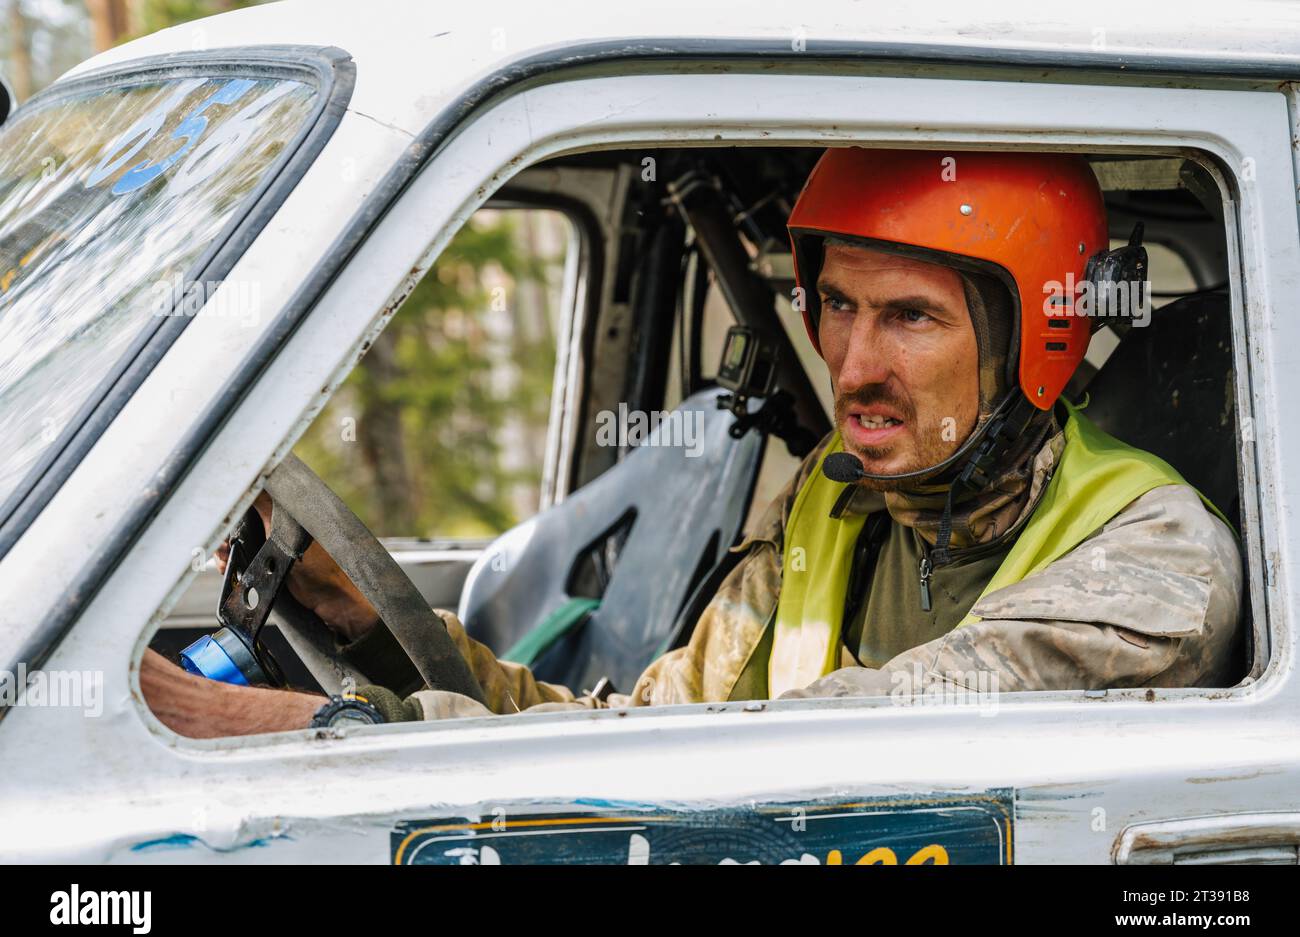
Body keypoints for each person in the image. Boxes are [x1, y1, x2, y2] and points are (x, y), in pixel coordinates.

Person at [141, 148, 1243, 737]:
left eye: (909, 316)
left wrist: (344, 731)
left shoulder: (1151, 566)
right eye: (835, 306)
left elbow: (808, 759)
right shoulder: (838, 497)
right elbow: (654, 732)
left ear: (1031, 340)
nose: (851, 366)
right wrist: (372, 631)